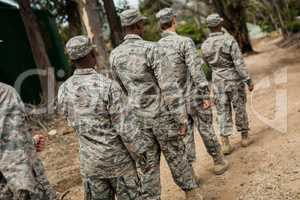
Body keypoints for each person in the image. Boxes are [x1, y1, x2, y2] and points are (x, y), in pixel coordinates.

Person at [110, 9, 202, 200]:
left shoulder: (115, 56)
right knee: (177, 156)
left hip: (139, 121)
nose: (143, 26)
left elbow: (120, 92)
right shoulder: (152, 49)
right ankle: (191, 194)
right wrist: (181, 119)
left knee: (148, 164)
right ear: (137, 26)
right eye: (141, 24)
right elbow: (169, 87)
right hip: (162, 116)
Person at [58, 35, 144, 200]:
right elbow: (125, 130)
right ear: (91, 54)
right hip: (119, 164)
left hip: (91, 165)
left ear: (72, 59)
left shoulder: (63, 90)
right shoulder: (108, 86)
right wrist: (139, 156)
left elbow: (72, 122)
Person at [155, 8, 229, 175]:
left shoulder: (155, 48)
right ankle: (218, 160)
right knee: (206, 128)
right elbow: (195, 69)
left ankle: (191, 173)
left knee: (185, 135)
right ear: (174, 20)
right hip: (193, 95)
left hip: (174, 101)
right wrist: (204, 93)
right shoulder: (184, 42)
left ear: (160, 25)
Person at [201, 14, 254, 155]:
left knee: (222, 110)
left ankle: (225, 143)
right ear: (219, 25)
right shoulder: (229, 40)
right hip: (233, 80)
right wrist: (248, 80)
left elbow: (206, 64)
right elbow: (238, 62)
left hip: (217, 81)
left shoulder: (205, 45)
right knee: (239, 107)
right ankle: (244, 137)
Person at [0, 82, 58, 200]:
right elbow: (12, 154)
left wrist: (29, 143)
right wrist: (25, 189)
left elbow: (7, 138)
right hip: (18, 185)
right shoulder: (4, 93)